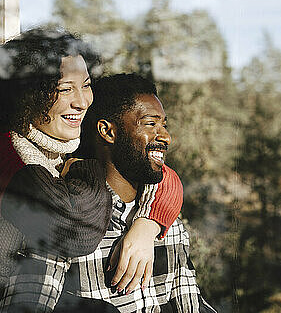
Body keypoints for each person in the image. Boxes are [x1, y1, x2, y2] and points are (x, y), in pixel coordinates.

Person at [0, 30, 183, 313]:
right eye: (65, 89)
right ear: (25, 95)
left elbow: (160, 174)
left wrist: (147, 227)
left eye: (85, 86)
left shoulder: (58, 145)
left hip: (9, 294)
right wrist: (87, 171)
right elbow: (74, 232)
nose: (82, 102)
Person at [43, 73, 216, 312]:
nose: (166, 136)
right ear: (108, 131)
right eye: (150, 123)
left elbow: (189, 301)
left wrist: (148, 225)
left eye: (164, 125)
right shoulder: (63, 217)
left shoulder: (168, 223)